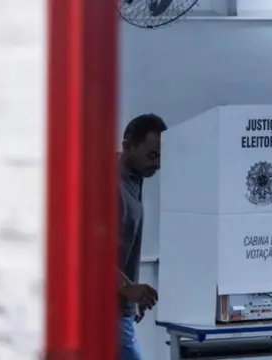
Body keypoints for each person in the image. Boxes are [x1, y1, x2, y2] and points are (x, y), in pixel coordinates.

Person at [118, 113, 167, 360]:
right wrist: (127, 289)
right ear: (128, 145)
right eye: (152, 155)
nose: (157, 164)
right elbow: (85, 252)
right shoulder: (108, 185)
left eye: (160, 156)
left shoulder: (133, 181)